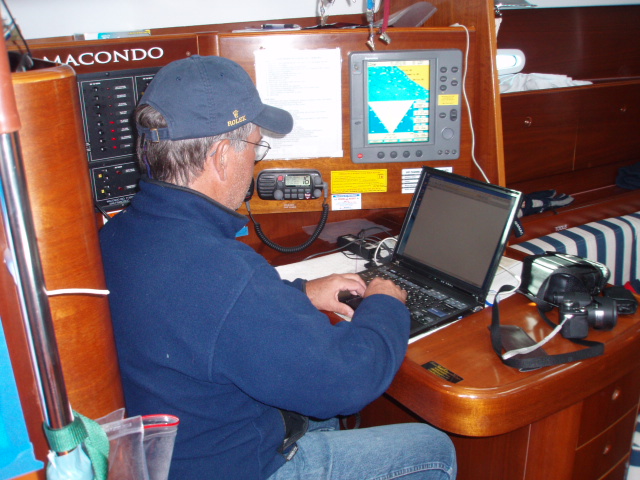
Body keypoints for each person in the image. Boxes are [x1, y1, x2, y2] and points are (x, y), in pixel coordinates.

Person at [99, 54, 456, 480]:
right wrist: (386, 303)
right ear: (221, 157)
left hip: (175, 452)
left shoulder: (117, 236)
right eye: (255, 147)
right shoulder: (224, 273)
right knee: (433, 448)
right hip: (238, 468)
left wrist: (302, 292)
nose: (255, 163)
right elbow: (346, 384)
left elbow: (207, 318)